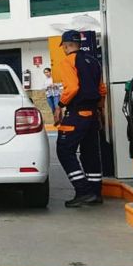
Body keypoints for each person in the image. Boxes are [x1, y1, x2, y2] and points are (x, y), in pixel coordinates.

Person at [54, 30, 107, 208]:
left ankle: (83, 191)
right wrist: (100, 111)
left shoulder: (68, 61)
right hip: (92, 114)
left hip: (77, 113)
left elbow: (72, 88)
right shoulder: (93, 61)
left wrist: (60, 105)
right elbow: (101, 90)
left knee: (64, 150)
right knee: (90, 153)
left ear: (66, 45)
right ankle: (95, 193)